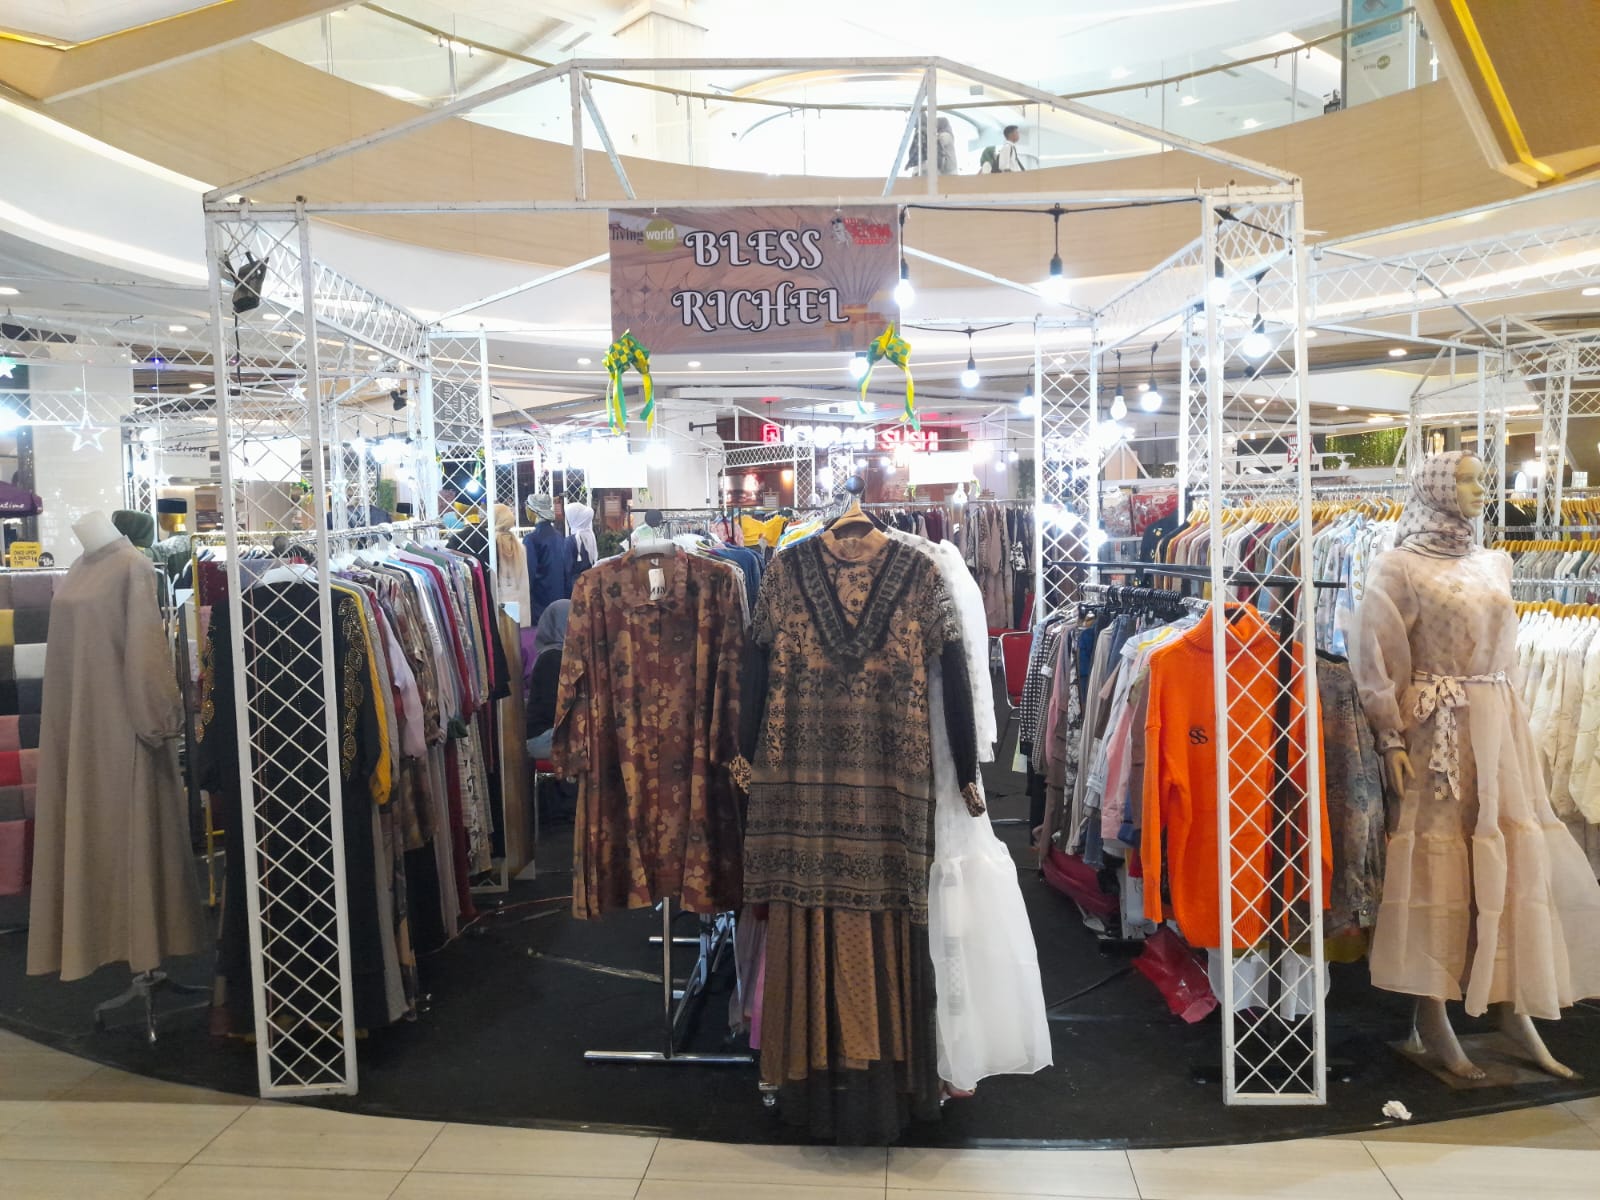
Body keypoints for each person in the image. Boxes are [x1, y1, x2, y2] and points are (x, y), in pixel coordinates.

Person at [522, 493, 572, 626]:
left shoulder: (532, 539)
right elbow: (566, 570)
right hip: (559, 597)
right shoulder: (559, 536)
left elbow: (529, 573)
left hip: (539, 600)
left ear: (534, 511)